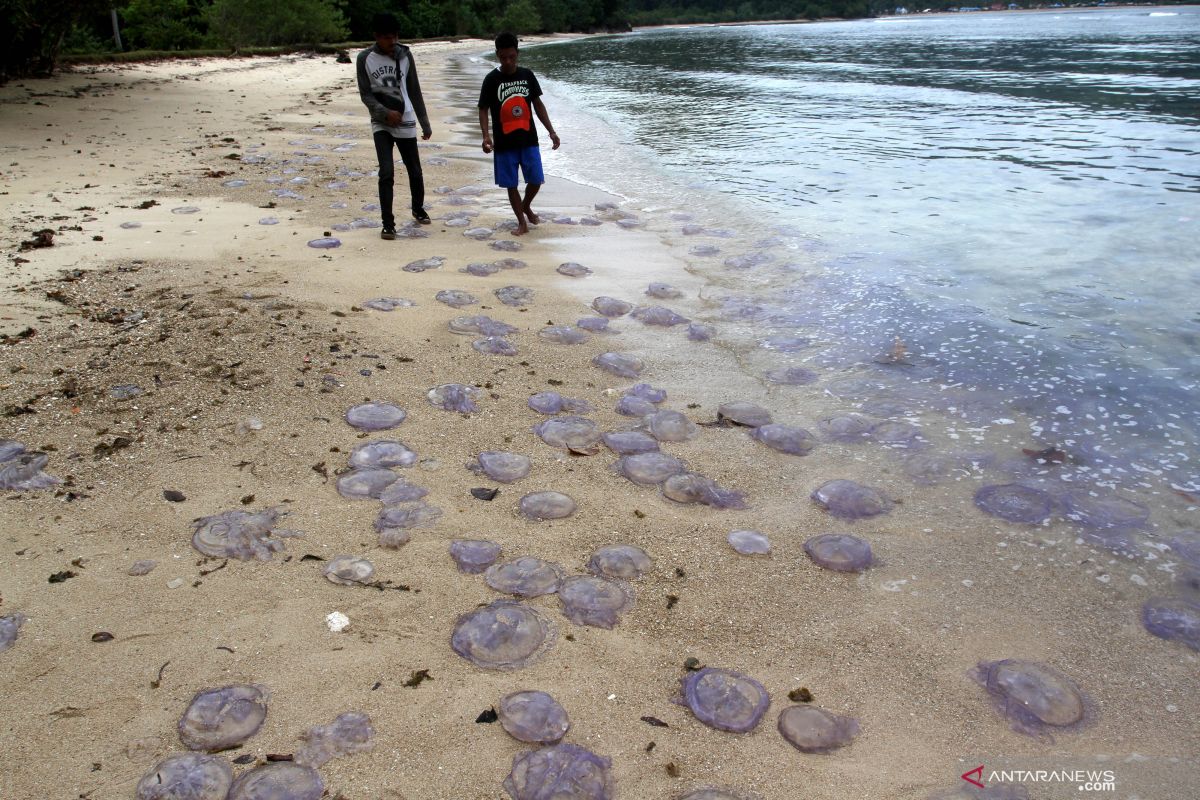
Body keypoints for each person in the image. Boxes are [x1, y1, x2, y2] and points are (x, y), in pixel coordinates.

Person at [356, 13, 432, 240]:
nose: (392, 42)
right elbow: (365, 94)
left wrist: (424, 123)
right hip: (381, 123)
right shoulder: (364, 58)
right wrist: (383, 113)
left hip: (406, 119)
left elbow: (415, 90)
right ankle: (387, 224)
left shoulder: (406, 55)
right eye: (387, 38)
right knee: (386, 171)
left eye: (395, 37)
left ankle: (418, 208)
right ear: (376, 37)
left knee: (415, 171)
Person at [478, 32, 560, 236]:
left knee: (536, 179)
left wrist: (551, 131)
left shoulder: (527, 75)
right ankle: (521, 221)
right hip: (504, 143)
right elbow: (483, 108)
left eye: (511, 57)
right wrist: (486, 135)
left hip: (528, 139)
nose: (507, 61)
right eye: (503, 57)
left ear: (517, 54)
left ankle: (525, 205)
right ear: (497, 54)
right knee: (511, 184)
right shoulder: (491, 79)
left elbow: (538, 105)